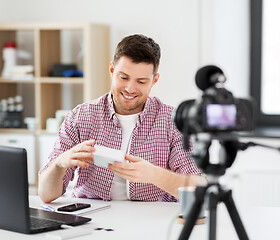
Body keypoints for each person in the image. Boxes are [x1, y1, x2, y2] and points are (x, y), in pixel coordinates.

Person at [38, 34, 206, 203]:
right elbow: (46, 194)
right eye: (123, 77)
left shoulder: (173, 121)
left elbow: (199, 188)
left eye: (141, 81)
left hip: (151, 221)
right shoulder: (80, 116)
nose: (130, 89)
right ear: (112, 70)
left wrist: (154, 175)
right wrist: (59, 163)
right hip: (92, 220)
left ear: (154, 80)